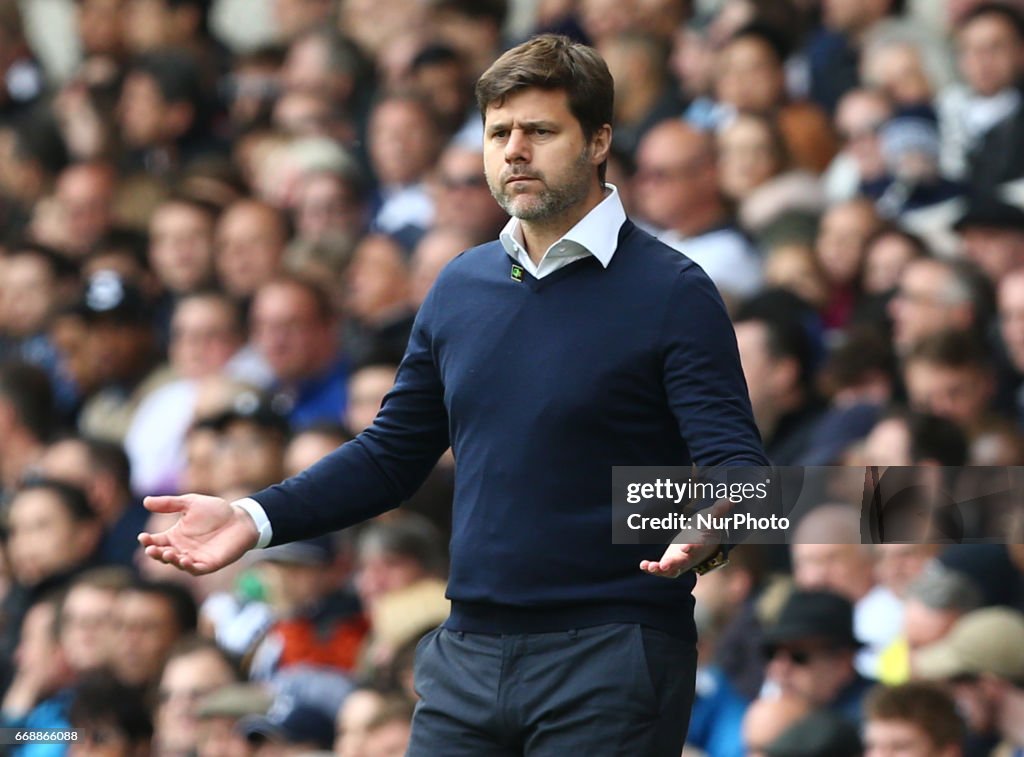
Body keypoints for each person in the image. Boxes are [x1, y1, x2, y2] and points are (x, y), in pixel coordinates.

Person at [140, 34, 769, 755]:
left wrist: (713, 524)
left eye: (539, 130)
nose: (515, 151)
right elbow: (389, 457)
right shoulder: (459, 286)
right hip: (465, 652)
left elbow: (742, 474)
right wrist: (255, 516)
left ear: (598, 141)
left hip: (612, 650)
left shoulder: (673, 291)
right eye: (498, 132)